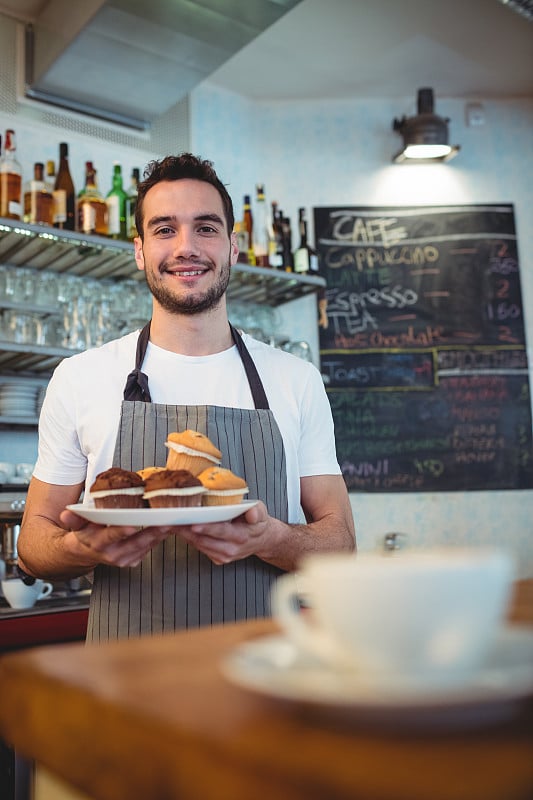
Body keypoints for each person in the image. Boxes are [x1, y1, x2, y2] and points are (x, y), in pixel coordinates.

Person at [17, 153, 356, 642]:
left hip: (267, 671)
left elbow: (341, 543)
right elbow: (32, 546)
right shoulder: (81, 377)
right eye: (164, 229)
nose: (186, 247)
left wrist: (272, 538)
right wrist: (87, 547)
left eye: (206, 228)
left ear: (233, 247)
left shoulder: (295, 379)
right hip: (126, 679)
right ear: (139, 250)